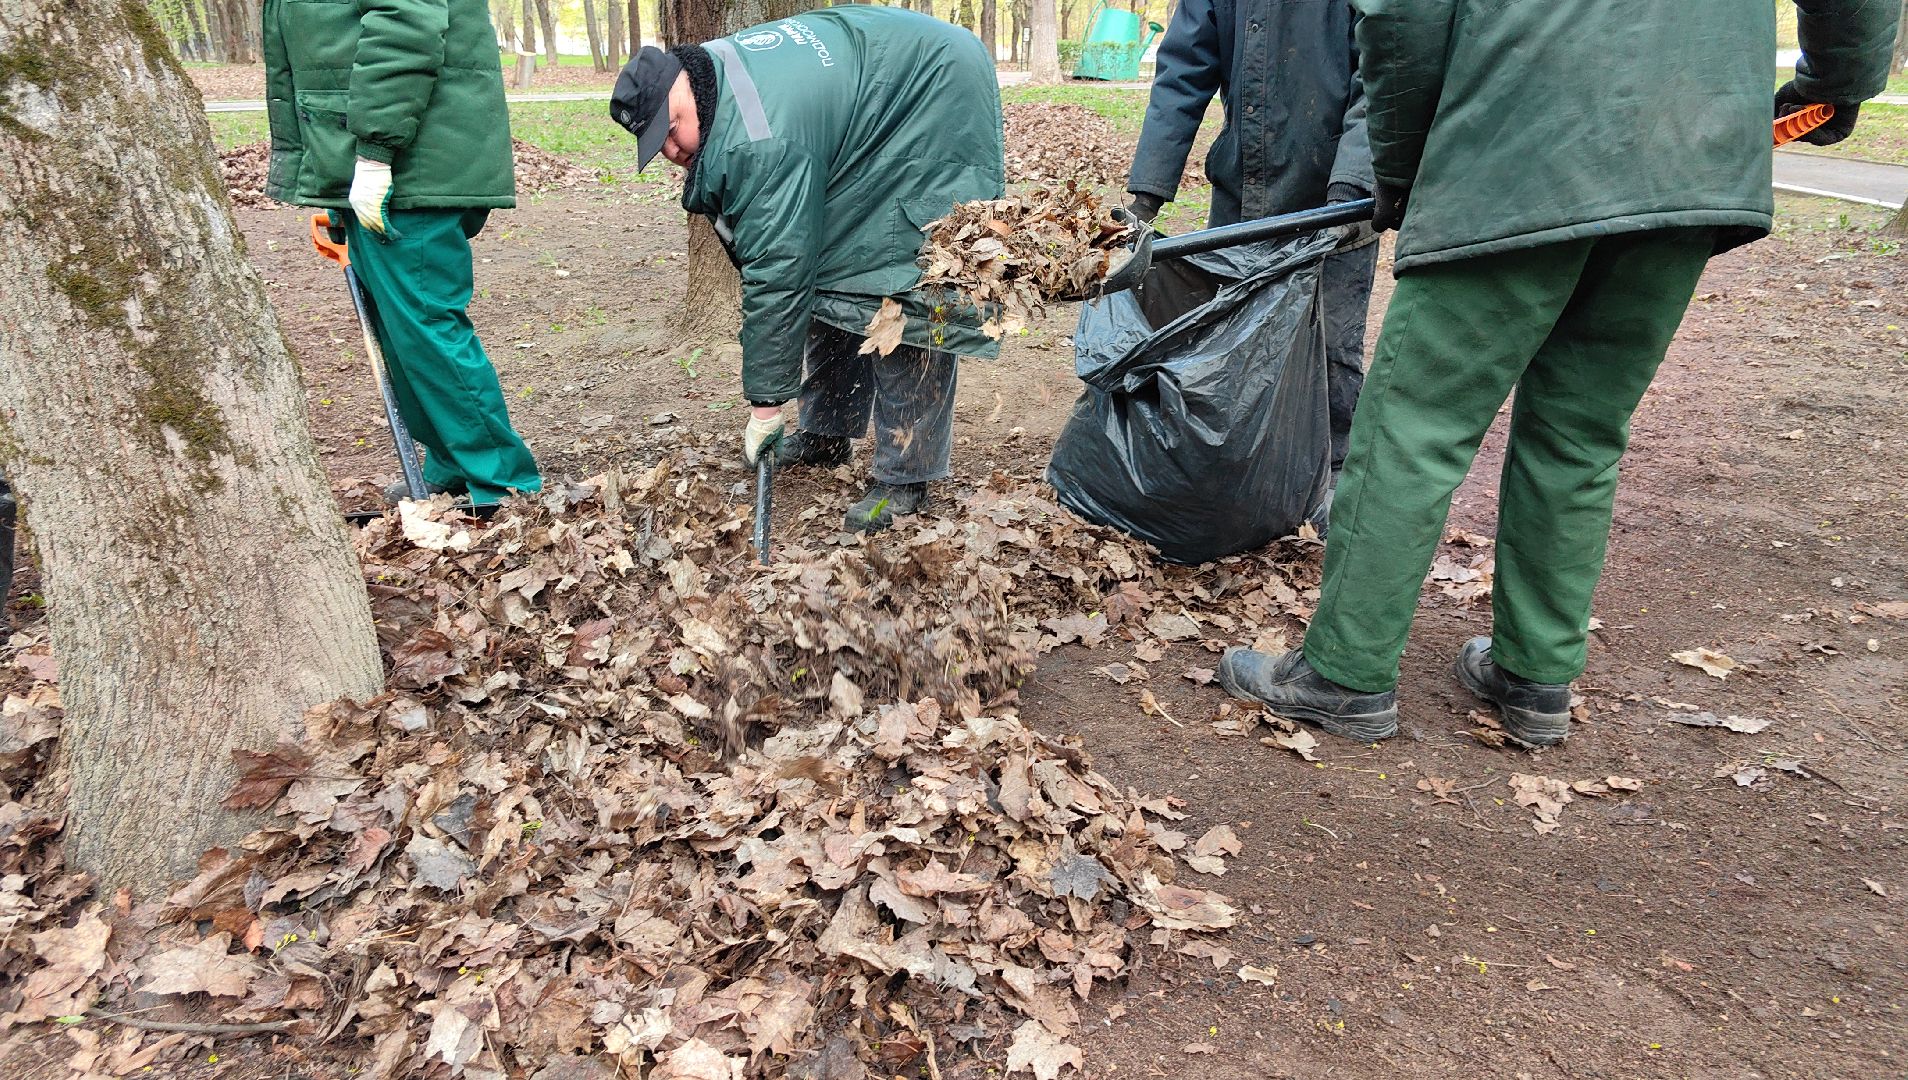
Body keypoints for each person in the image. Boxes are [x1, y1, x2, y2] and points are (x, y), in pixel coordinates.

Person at [1217, 0, 1899, 747]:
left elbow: (1403, 15)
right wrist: (1835, 83)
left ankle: (1344, 674)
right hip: (1691, 155)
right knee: (1582, 429)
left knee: (1414, 421)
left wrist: (1406, 162)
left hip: (1514, 143)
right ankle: (1535, 674)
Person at [610, 8, 1005, 532]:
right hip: (878, 94)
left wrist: (765, 407)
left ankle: (904, 480)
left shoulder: (759, 136)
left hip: (934, 95)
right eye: (656, 141)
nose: (671, 150)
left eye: (671, 127)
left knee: (908, 278)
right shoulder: (716, 76)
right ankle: (827, 433)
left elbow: (778, 272)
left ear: (681, 84)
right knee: (834, 263)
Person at [263, 0, 541, 509]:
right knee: (401, 333)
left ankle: (503, 483)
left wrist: (374, 154)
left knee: (426, 328)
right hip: (376, 160)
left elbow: (405, 23)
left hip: (408, 164)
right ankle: (454, 461)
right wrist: (332, 176)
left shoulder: (384, 155)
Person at [1126, 0, 1375, 525]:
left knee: (1329, 349)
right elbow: (1183, 72)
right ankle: (1242, 477)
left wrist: (1353, 184)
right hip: (1245, 195)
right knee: (1231, 346)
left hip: (1336, 201)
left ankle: (1328, 482)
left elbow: (1381, 75)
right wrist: (1147, 193)